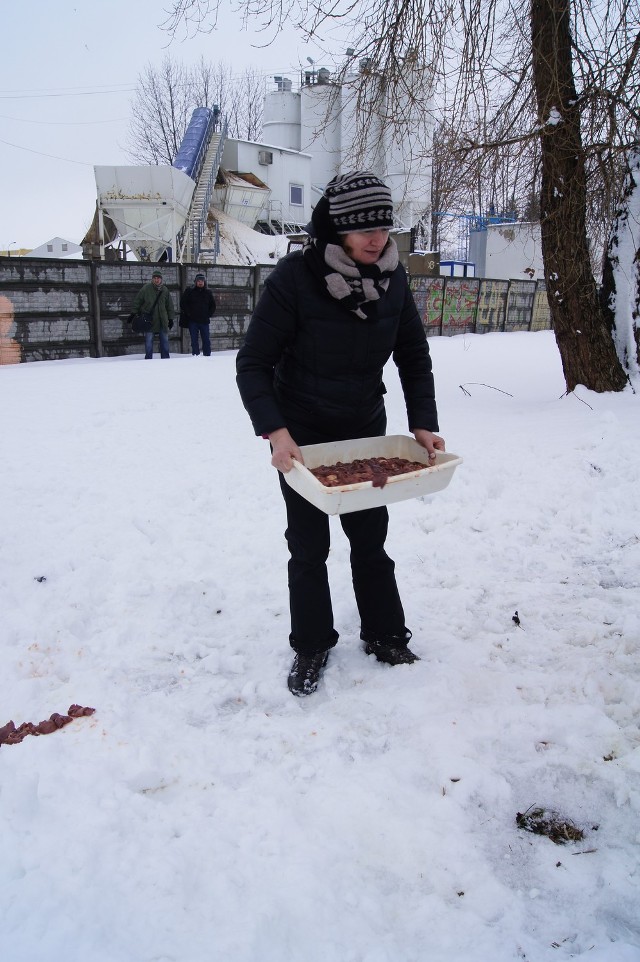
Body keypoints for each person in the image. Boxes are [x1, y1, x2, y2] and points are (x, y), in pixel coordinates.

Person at [236, 171, 445, 697]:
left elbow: (414, 358)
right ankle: (312, 644)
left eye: (383, 225)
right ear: (337, 229)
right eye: (362, 228)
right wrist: (276, 432)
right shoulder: (294, 279)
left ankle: (385, 635)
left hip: (363, 430)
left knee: (371, 541)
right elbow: (253, 363)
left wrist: (423, 421)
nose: (376, 237)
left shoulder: (393, 280)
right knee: (308, 546)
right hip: (303, 437)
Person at [131, 269, 174, 359]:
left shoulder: (165, 290)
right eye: (154, 278)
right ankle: (148, 359)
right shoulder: (146, 289)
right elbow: (137, 301)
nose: (156, 280)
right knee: (149, 342)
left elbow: (169, 305)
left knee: (165, 342)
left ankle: (166, 359)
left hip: (163, 320)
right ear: (152, 279)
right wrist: (133, 313)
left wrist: (170, 319)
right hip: (149, 320)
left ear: (161, 279)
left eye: (158, 278)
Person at [180, 272, 216, 355]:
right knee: (194, 341)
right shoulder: (189, 292)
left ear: (204, 282)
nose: (200, 282)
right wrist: (189, 313)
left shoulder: (208, 293)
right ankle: (196, 356)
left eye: (202, 281)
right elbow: (183, 303)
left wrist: (208, 314)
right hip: (193, 321)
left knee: (206, 340)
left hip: (204, 321)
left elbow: (213, 306)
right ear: (195, 282)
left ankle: (207, 356)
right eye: (199, 281)